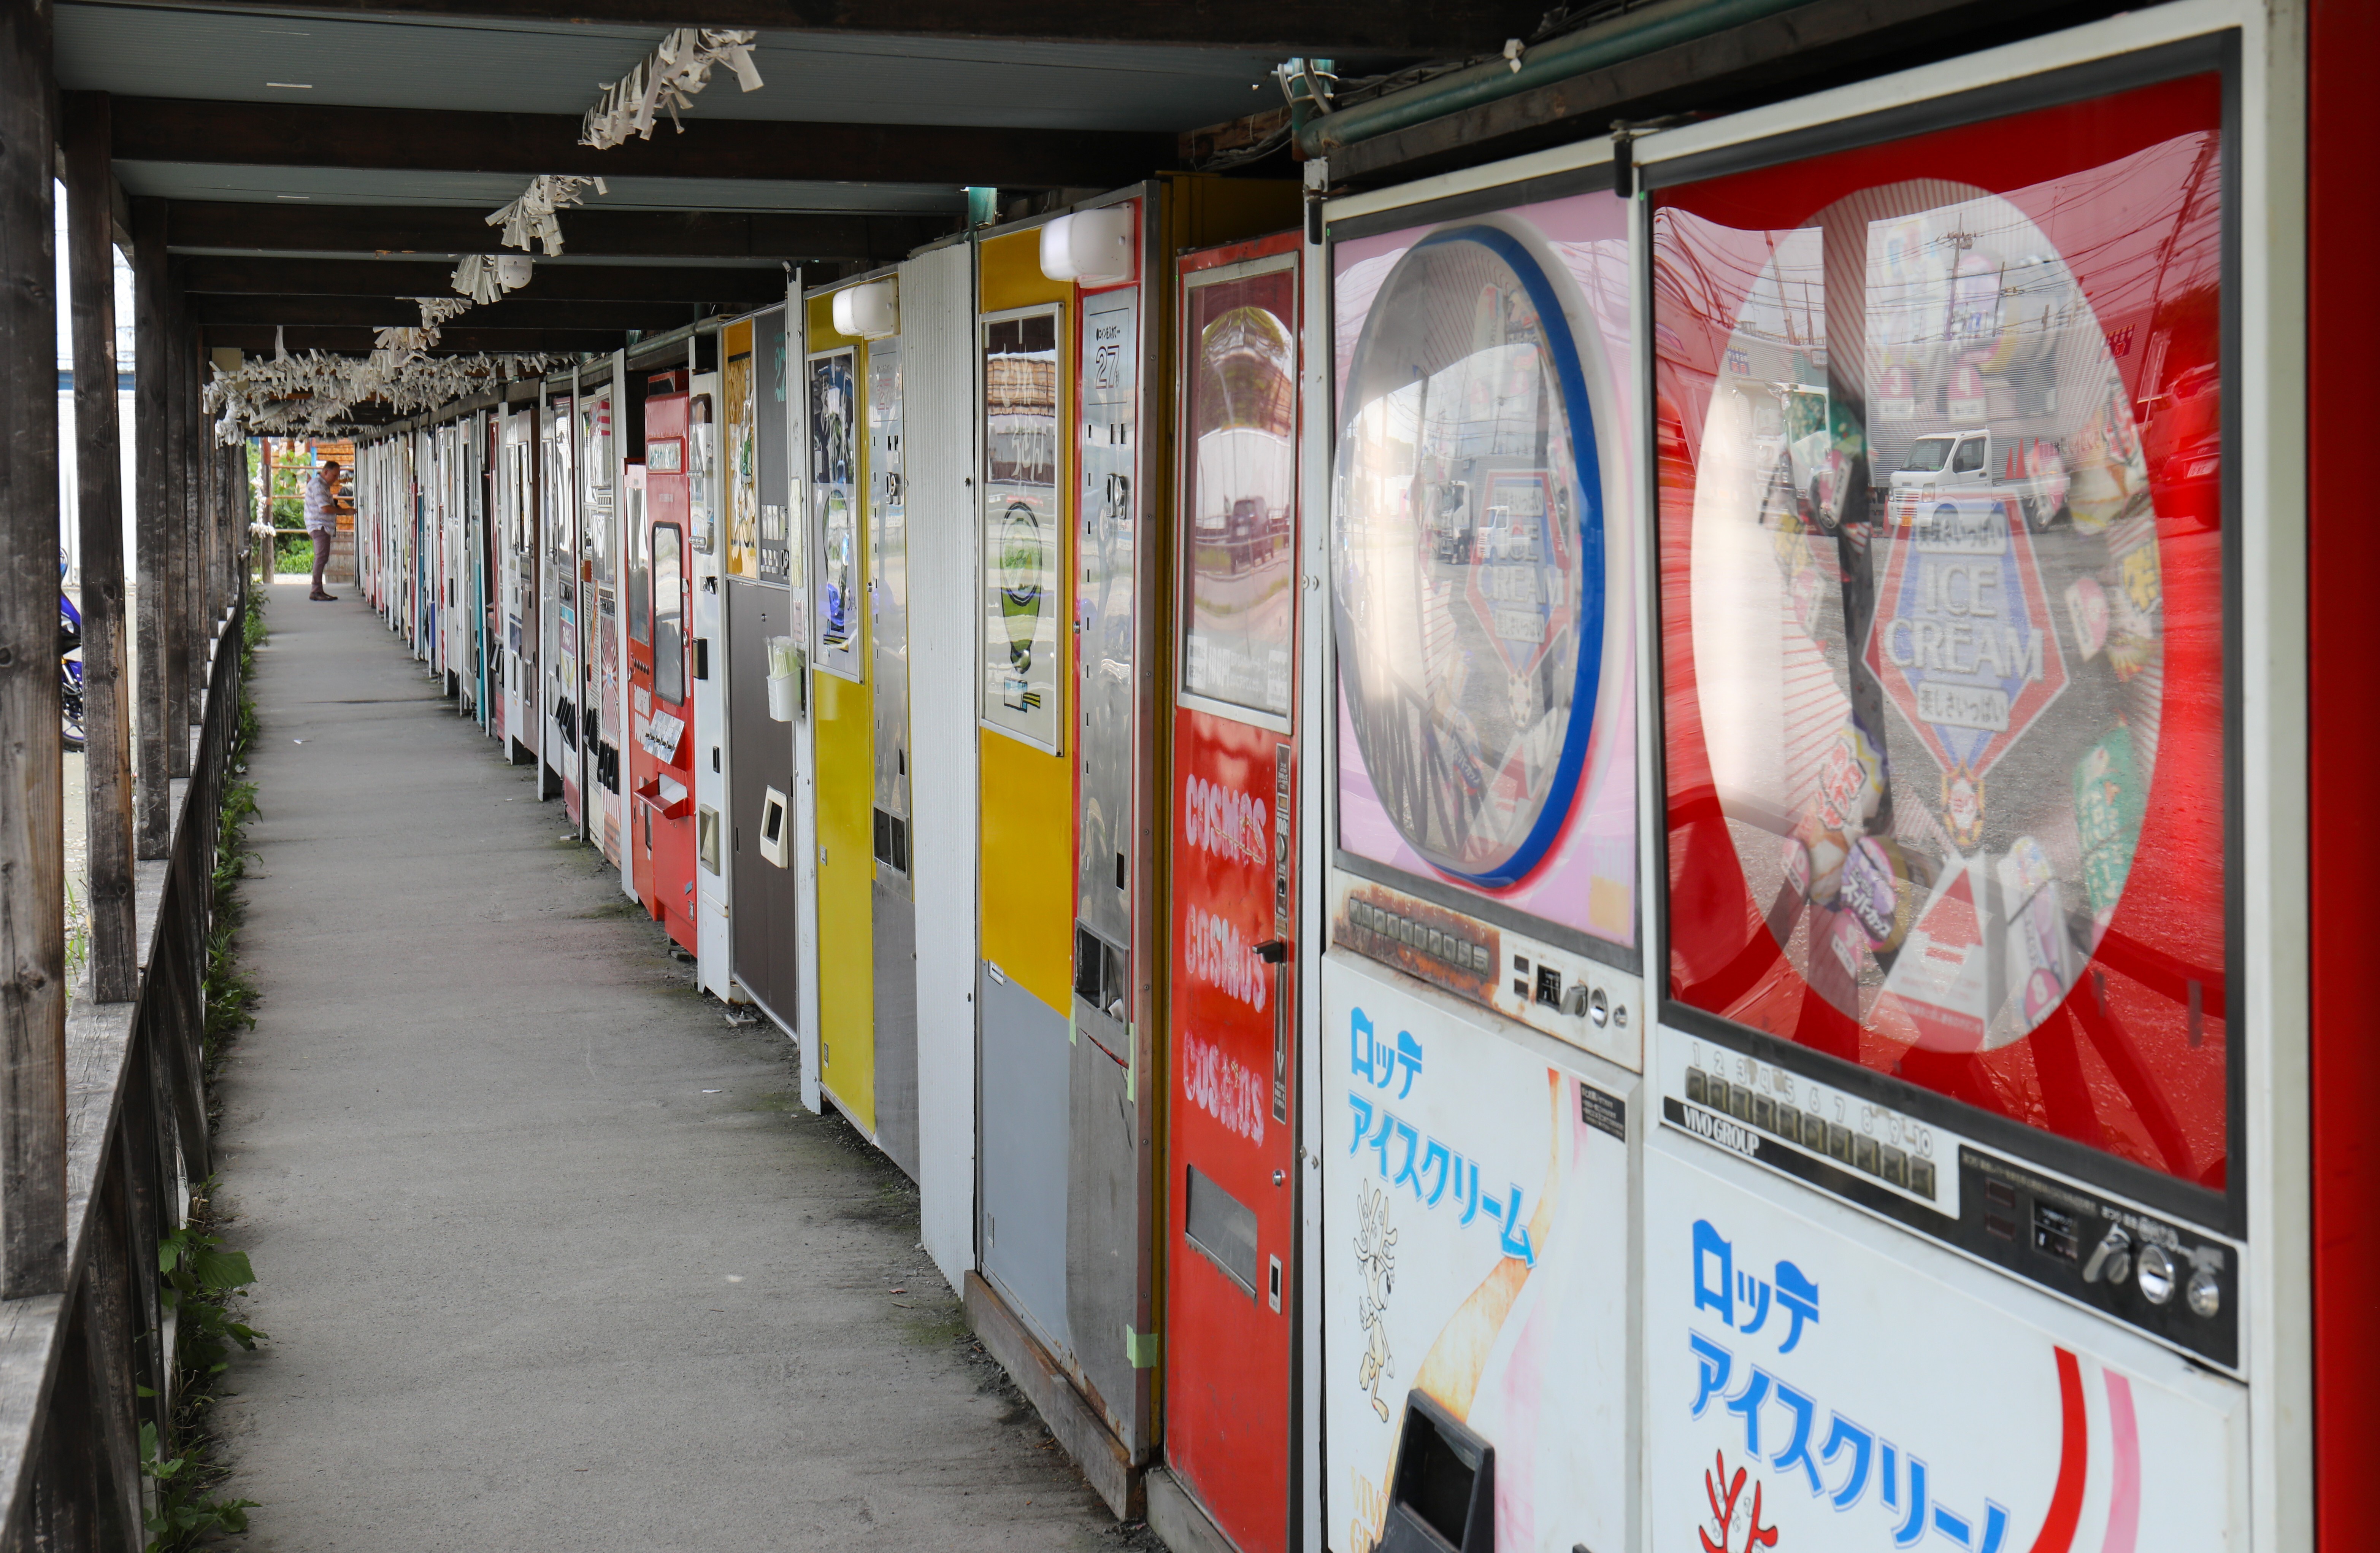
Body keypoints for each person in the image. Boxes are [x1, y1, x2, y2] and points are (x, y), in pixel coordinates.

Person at [305, 458, 344, 601]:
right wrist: (345, 512)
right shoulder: (318, 485)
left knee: (322, 557)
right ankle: (316, 590)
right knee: (321, 557)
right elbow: (326, 508)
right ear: (326, 472)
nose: (336, 479)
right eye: (335, 475)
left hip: (322, 525)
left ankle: (319, 589)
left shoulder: (323, 485)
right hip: (319, 525)